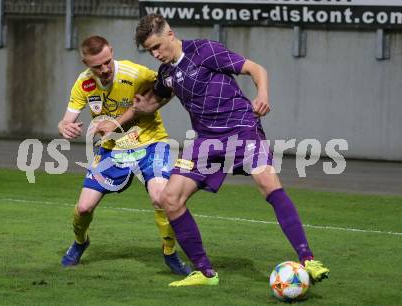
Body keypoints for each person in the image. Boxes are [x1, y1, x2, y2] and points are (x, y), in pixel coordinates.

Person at [133, 14, 330, 286]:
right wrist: (142, 109)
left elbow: (256, 69)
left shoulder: (205, 50)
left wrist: (262, 95)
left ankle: (309, 260)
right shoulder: (167, 73)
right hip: (205, 141)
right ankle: (204, 272)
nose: (154, 54)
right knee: (170, 199)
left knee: (267, 183)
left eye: (156, 46)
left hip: (241, 129)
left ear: (170, 34)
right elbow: (158, 98)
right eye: (149, 50)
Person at [57, 35, 191, 275]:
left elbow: (168, 85)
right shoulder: (83, 84)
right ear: (85, 62)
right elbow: (67, 119)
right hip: (112, 150)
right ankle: (80, 242)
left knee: (161, 198)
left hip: (151, 142)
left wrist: (149, 106)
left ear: (112, 51)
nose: (105, 69)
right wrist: (64, 126)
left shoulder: (135, 73)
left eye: (108, 61)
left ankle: (170, 252)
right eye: (97, 66)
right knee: (84, 208)